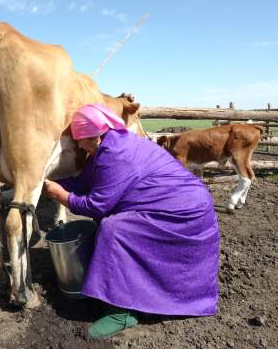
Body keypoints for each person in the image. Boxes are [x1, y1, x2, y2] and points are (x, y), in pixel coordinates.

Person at [43, 103, 220, 339]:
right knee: (112, 227)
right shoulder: (108, 145)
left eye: (81, 140)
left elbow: (97, 205)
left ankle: (122, 312)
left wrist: (61, 196)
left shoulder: (115, 154)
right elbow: (86, 182)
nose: (79, 145)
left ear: (95, 136)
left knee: (113, 228)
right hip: (177, 203)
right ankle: (117, 287)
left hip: (184, 213)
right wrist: (50, 185)